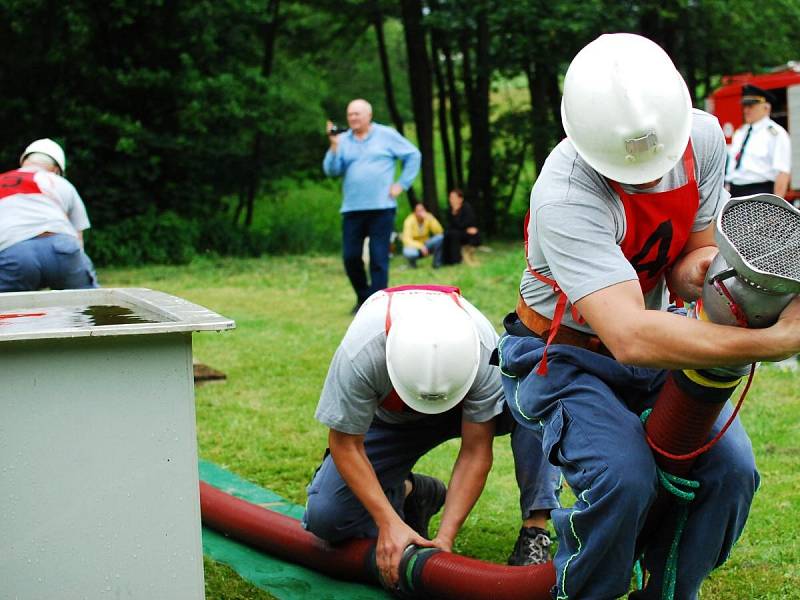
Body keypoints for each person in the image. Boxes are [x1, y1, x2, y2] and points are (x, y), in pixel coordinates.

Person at [496, 34, 800, 600]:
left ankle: (668, 592)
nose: (644, 177)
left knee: (731, 472)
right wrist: (776, 340)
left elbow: (691, 260)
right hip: (562, 356)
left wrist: (745, 276)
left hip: (652, 339)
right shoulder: (563, 191)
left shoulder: (701, 137)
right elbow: (629, 334)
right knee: (622, 478)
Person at [302, 285, 561, 588]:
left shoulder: (480, 348)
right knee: (326, 517)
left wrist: (444, 539)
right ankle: (413, 491)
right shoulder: (362, 351)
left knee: (534, 390)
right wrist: (388, 522)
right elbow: (346, 445)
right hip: (391, 422)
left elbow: (475, 451)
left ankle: (535, 529)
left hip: (466, 409)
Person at [323, 99, 421, 313]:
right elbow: (331, 171)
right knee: (350, 257)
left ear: (369, 115)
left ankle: (375, 308)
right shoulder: (343, 140)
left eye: (357, 114)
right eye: (350, 114)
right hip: (352, 208)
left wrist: (401, 184)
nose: (353, 118)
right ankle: (363, 298)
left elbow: (414, 155)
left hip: (381, 208)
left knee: (378, 258)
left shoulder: (386, 135)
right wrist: (334, 146)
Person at [0, 138, 98, 292]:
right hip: (62, 247)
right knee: (87, 308)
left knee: (10, 312)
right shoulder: (61, 183)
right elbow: (78, 238)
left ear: (24, 161)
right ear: (56, 170)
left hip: (14, 254)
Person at [725, 84, 791, 198]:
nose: (746, 110)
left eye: (751, 106)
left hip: (759, 192)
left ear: (766, 108)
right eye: (745, 106)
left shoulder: (776, 134)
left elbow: (782, 173)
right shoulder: (741, 132)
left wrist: (776, 207)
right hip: (735, 191)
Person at [442, 188, 481, 266]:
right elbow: (448, 225)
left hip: (469, 234)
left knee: (454, 234)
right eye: (450, 198)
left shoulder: (466, 208)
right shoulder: (450, 210)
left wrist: (455, 215)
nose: (451, 200)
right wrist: (453, 214)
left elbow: (465, 224)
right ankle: (446, 261)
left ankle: (456, 261)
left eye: (453, 198)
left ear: (460, 199)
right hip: (459, 231)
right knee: (448, 234)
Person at [401, 203, 444, 268]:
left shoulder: (429, 217)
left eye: (422, 210)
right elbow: (407, 240)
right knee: (408, 252)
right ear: (414, 212)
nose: (421, 212)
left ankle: (436, 263)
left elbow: (439, 231)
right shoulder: (409, 221)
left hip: (426, 244)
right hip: (415, 247)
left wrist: (431, 219)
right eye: (418, 210)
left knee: (440, 237)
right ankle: (412, 264)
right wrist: (421, 246)